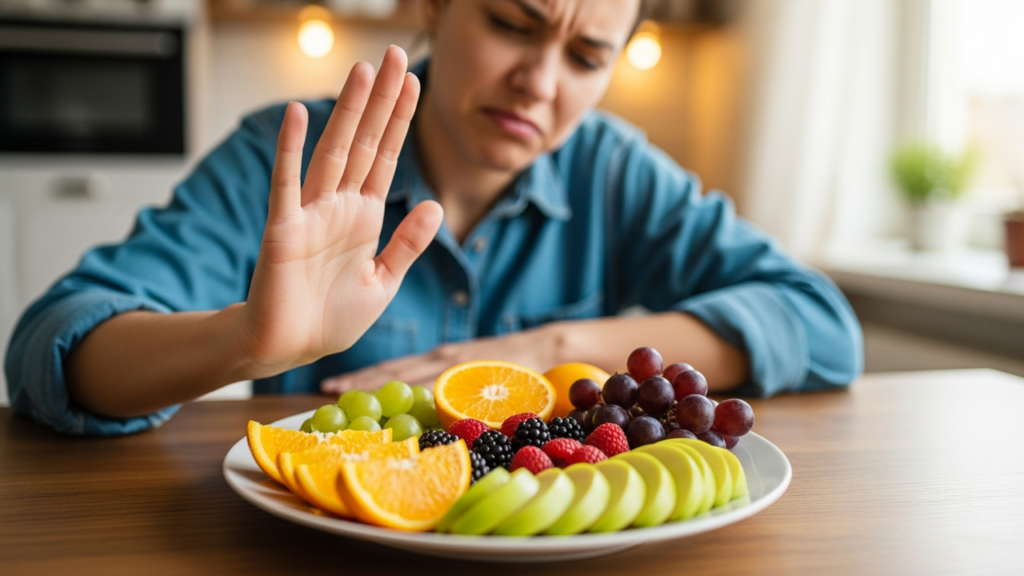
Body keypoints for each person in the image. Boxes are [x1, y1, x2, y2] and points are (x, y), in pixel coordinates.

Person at [4, 0, 862, 436]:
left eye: (587, 56)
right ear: (435, 6)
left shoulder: (615, 172)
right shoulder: (290, 157)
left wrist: (551, 349)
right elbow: (55, 346)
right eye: (510, 23)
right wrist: (244, 343)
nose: (541, 81)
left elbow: (821, 324)